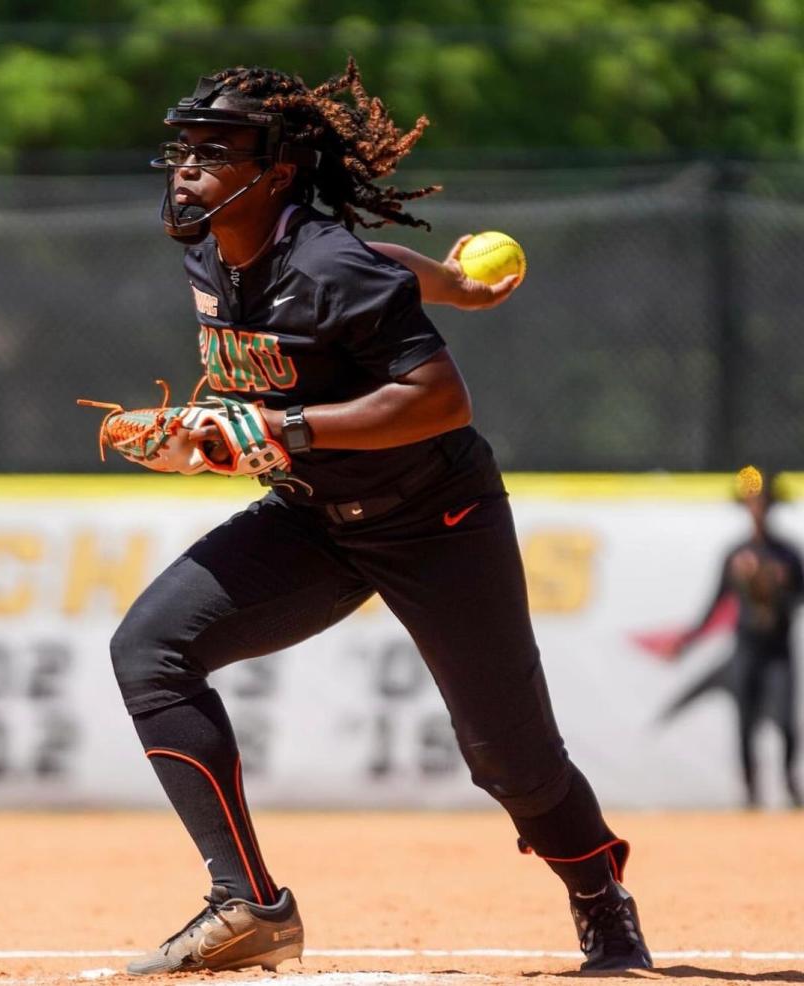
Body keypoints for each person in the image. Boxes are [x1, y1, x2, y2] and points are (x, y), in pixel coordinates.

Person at [108, 59, 652, 976]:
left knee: (508, 759)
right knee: (149, 650)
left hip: (436, 519)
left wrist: (277, 427)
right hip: (315, 518)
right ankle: (248, 906)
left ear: (277, 171)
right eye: (183, 149)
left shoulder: (322, 259)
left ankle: (597, 889)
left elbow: (440, 400)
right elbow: (378, 269)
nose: (189, 168)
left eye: (217, 151)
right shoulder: (212, 249)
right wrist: (452, 283)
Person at [660, 468, 803, 808]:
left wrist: (780, 586)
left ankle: (789, 783)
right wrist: (687, 641)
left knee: (784, 721)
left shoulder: (787, 554)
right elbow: (715, 602)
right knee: (746, 722)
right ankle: (751, 794)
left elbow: (800, 596)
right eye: (753, 502)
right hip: (746, 648)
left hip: (778, 649)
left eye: (763, 501)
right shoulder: (736, 554)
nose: (758, 508)